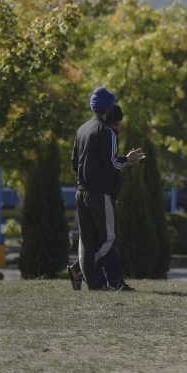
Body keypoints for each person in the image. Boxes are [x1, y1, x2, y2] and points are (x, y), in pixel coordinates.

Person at [71, 87, 144, 292]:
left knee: (88, 239)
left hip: (80, 191)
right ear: (109, 107)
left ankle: (97, 284)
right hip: (99, 194)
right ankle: (79, 269)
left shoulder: (82, 129)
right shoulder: (107, 132)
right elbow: (113, 163)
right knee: (109, 239)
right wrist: (127, 160)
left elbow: (74, 162)